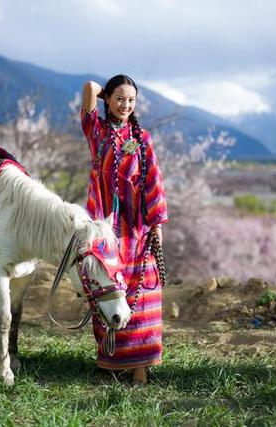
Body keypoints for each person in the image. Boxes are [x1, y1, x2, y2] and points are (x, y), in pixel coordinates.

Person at [80, 74, 168, 385]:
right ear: (108, 100)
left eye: (131, 100)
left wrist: (157, 226)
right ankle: (111, 362)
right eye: (119, 99)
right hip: (105, 229)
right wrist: (101, 93)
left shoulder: (142, 138)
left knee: (144, 292)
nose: (125, 105)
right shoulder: (97, 131)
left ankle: (141, 368)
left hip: (138, 228)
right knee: (106, 289)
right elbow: (89, 87)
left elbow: (153, 183)